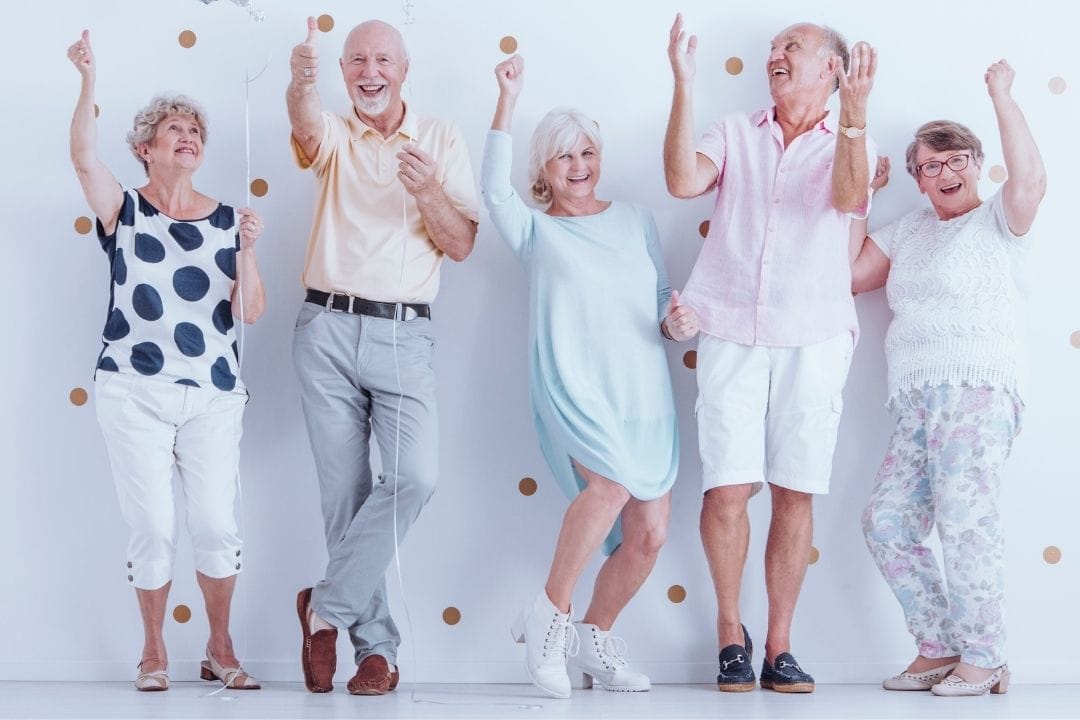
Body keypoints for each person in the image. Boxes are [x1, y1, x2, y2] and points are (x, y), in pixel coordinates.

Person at [664, 13, 877, 693]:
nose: (775, 55)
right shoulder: (732, 132)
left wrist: (857, 112)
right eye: (773, 48)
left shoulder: (859, 144)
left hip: (814, 337)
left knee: (795, 489)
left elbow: (846, 198)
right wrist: (682, 84)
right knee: (727, 488)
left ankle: (780, 644)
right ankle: (731, 631)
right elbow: (680, 182)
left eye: (793, 47)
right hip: (728, 328)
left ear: (831, 69)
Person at [481, 54, 688, 700]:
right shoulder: (536, 231)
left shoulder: (635, 220)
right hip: (574, 383)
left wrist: (678, 321)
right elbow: (492, 192)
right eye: (565, 157)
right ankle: (550, 616)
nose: (579, 167)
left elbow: (657, 303)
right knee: (609, 488)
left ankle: (595, 638)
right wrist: (507, 100)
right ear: (544, 167)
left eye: (588, 154)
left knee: (650, 534)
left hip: (644, 391)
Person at [67, 30, 266, 692]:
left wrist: (248, 250)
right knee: (153, 526)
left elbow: (251, 312)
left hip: (212, 393)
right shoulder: (124, 210)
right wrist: (89, 79)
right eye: (173, 129)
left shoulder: (227, 221)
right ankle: (153, 649)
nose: (188, 137)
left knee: (215, 524)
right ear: (146, 149)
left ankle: (218, 644)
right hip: (133, 390)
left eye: (194, 130)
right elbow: (82, 158)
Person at [286, 16, 479, 695]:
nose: (370, 70)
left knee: (415, 477)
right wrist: (300, 79)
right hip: (327, 328)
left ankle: (324, 609)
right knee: (346, 497)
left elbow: (460, 244)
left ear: (404, 68)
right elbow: (307, 126)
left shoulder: (442, 139)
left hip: (404, 333)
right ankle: (377, 652)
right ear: (343, 72)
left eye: (382, 60)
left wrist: (427, 189)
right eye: (356, 61)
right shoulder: (336, 132)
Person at [853, 60, 1045, 697]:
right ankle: (939, 646)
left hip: (977, 388)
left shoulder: (998, 220)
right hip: (914, 397)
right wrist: (863, 196)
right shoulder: (906, 231)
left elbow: (1033, 180)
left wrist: (1000, 95)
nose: (945, 173)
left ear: (976, 162)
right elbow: (848, 274)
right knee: (885, 520)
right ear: (917, 177)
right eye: (930, 165)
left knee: (966, 520)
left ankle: (987, 657)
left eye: (955, 158)